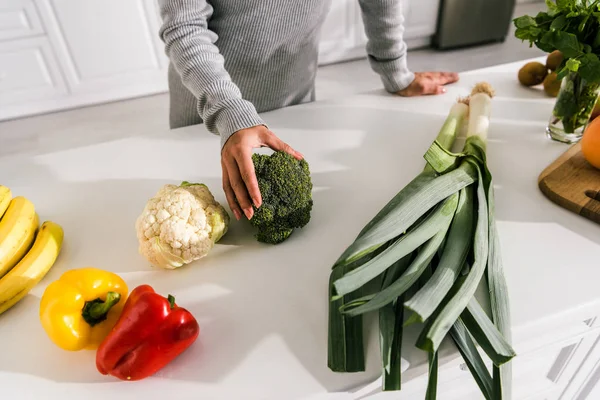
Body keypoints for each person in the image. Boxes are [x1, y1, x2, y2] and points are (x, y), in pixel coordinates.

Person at [158, 0, 459, 222]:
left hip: (295, 105)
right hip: (206, 118)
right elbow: (184, 26)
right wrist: (229, 111)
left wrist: (395, 70)